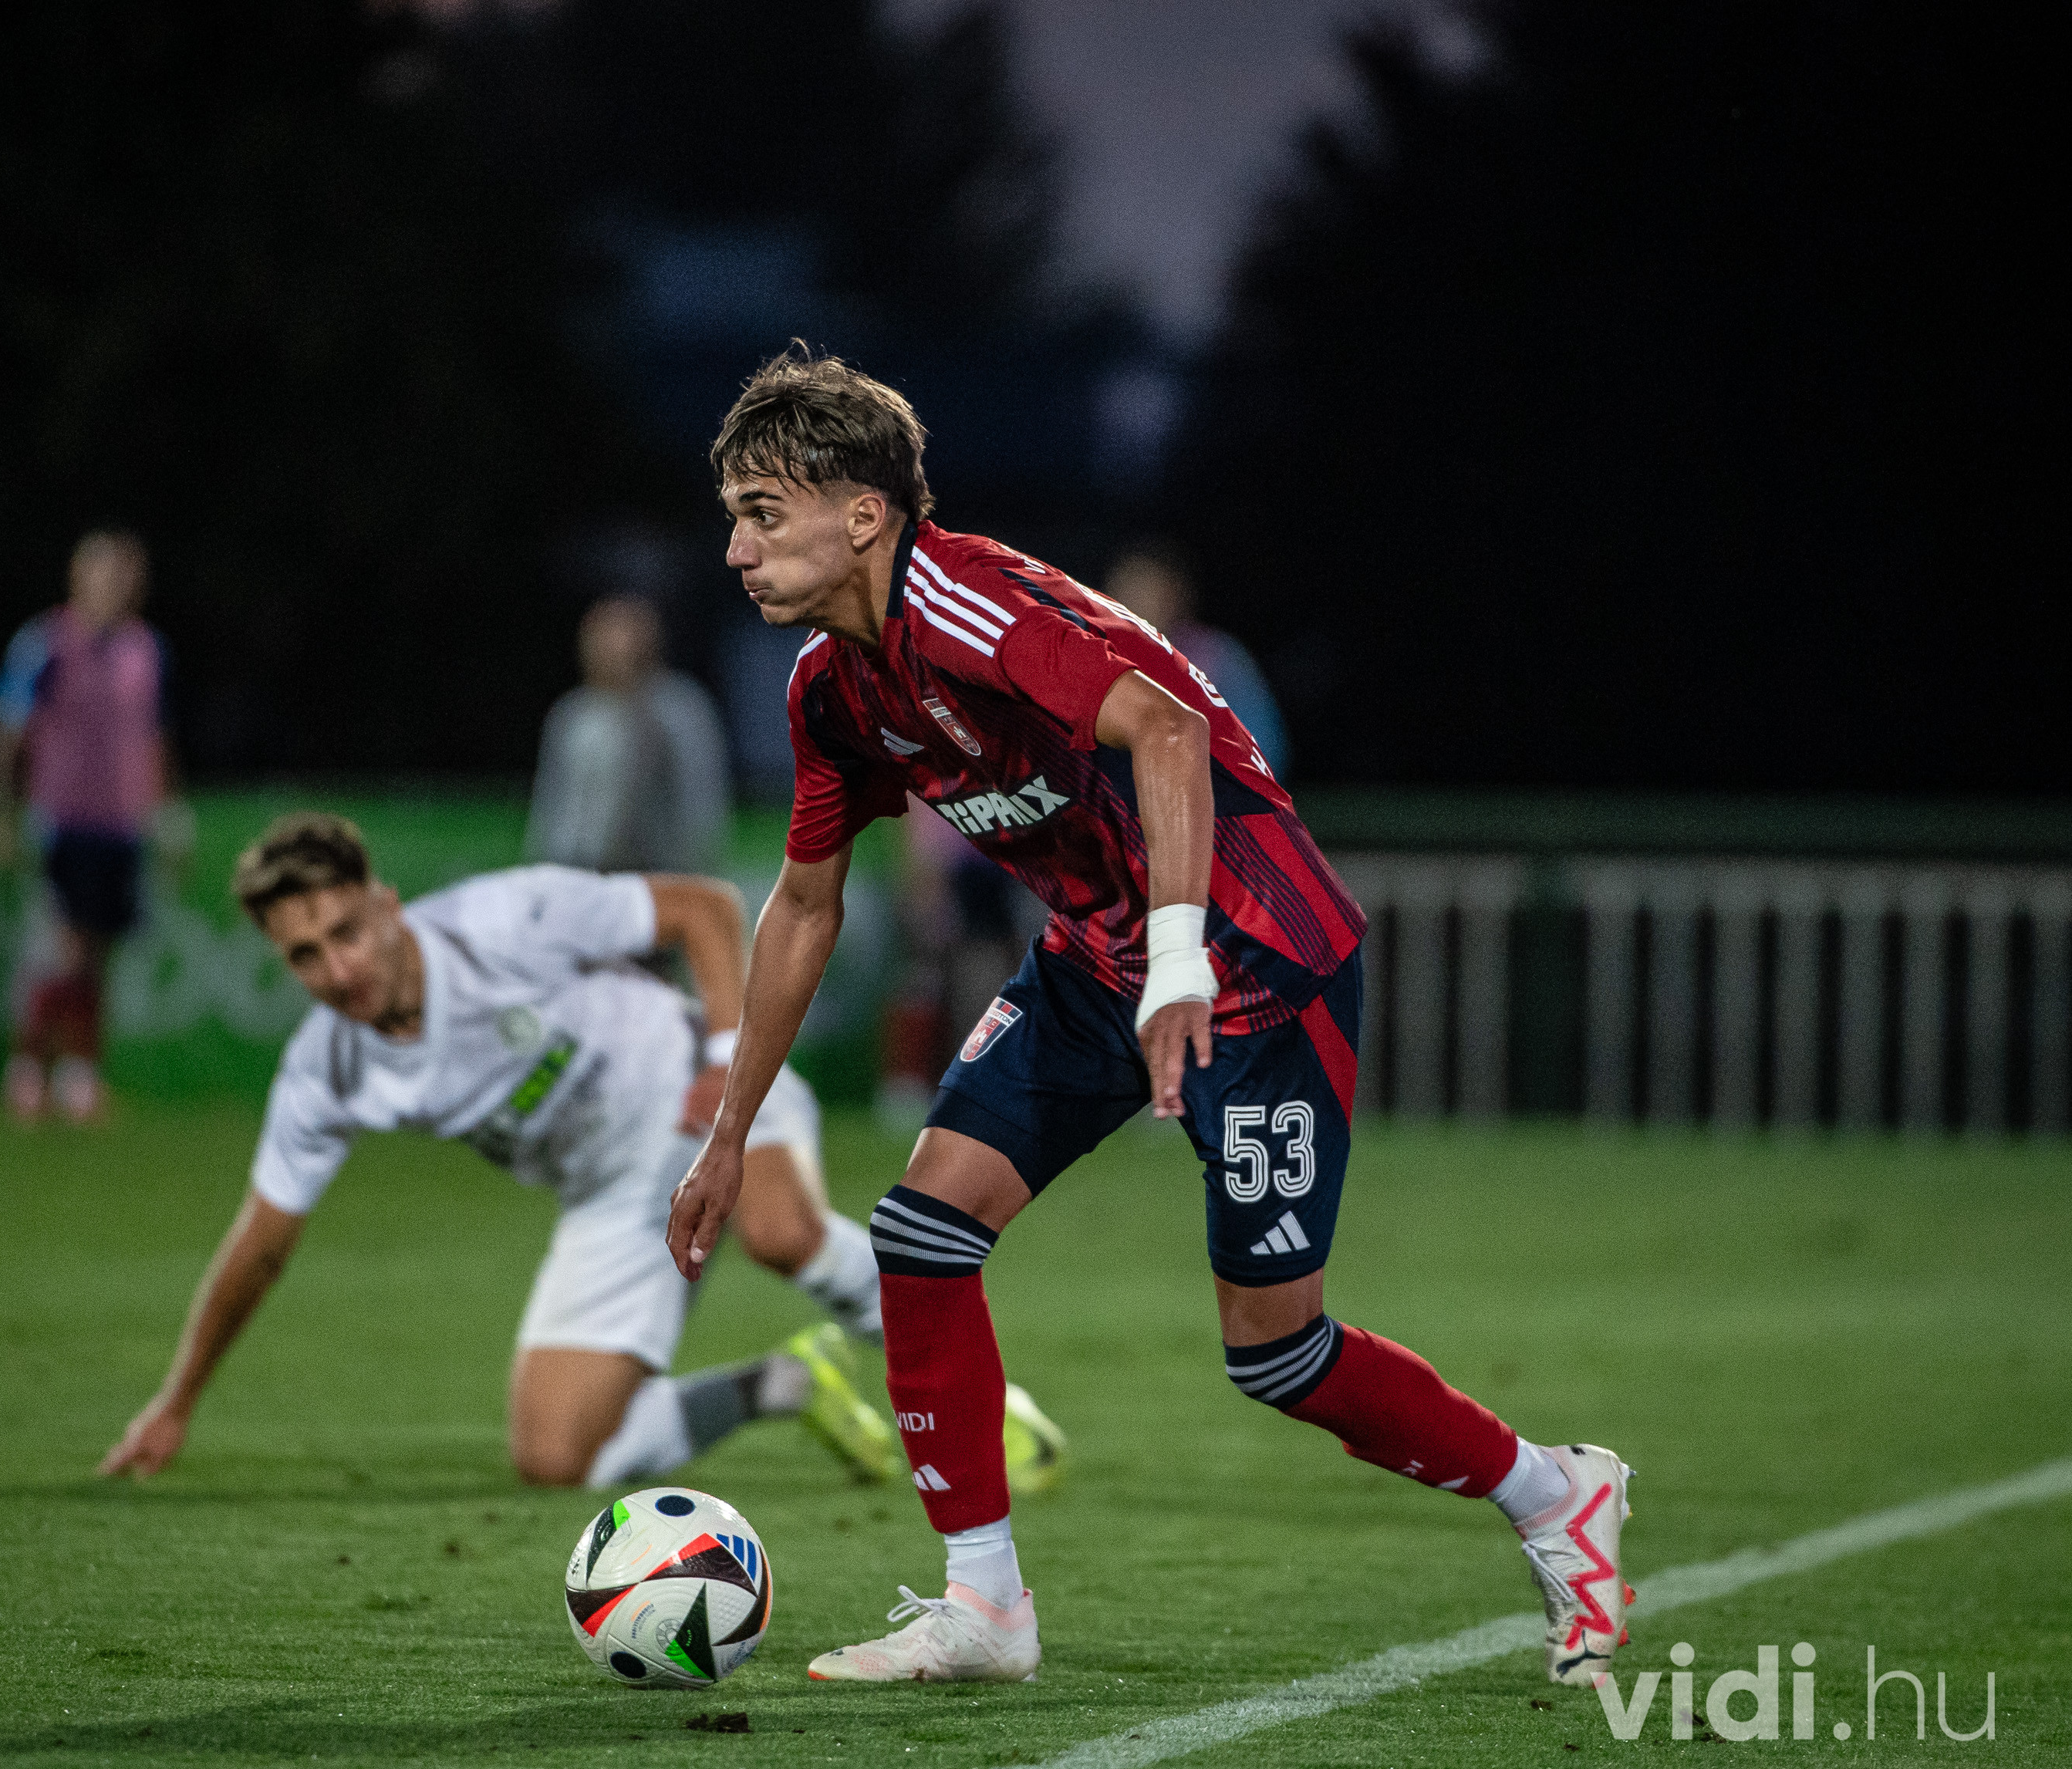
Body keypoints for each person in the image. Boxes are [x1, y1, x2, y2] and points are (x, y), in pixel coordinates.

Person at [666, 348, 1630, 1688]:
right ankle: (986, 1606)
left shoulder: (970, 602)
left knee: (1277, 1352)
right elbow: (804, 904)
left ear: (864, 513)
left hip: (1254, 961)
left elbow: (1168, 731)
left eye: (763, 514)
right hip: (1098, 961)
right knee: (922, 1236)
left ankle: (1553, 1491)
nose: (736, 550)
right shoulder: (831, 689)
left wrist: (1180, 964)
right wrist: (729, 1134)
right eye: (735, 518)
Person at [99, 812, 901, 1490]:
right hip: (610, 1189)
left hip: (700, 1088)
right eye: (305, 955)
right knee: (555, 1457)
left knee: (780, 1232)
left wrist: (726, 1061)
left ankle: (958, 1369)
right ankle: (783, 1383)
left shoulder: (503, 919)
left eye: (346, 932)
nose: (338, 970)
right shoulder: (325, 1068)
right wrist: (175, 1401)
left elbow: (703, 907)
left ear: (386, 906)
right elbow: (263, 1245)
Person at [0, 529, 184, 1123]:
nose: (113, 585)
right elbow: (8, 729)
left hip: (121, 824)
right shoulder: (44, 642)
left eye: (122, 575)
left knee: (98, 955)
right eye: (102, 573)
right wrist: (0, 812)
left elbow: (157, 736)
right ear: (78, 577)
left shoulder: (147, 650)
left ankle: (79, 1074)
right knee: (61, 950)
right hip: (60, 819)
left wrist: (170, 813)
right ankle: (27, 1069)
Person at [525, 593, 731, 876]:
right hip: (579, 875)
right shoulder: (574, 714)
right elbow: (553, 815)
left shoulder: (679, 711)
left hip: (661, 876)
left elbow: (700, 811)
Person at [1105, 542, 1291, 778]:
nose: (1136, 601)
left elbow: (1266, 742)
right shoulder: (1101, 654)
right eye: (1128, 588)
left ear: (1177, 596)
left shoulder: (1215, 655)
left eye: (1148, 589)